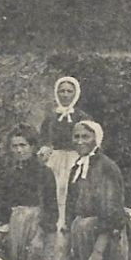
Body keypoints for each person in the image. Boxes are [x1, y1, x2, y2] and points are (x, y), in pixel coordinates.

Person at [62, 120, 131, 260]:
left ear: (96, 138)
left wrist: (98, 252)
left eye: (85, 136)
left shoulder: (106, 167)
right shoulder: (77, 168)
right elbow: (70, 207)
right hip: (81, 234)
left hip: (103, 237)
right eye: (76, 136)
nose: (80, 141)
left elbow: (112, 213)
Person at [0, 125, 57, 260]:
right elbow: (4, 207)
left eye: (23, 145)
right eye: (14, 146)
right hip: (16, 226)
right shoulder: (9, 174)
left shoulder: (44, 172)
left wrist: (40, 236)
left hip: (37, 227)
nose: (19, 150)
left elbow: (51, 207)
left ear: (33, 146)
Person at [37, 76, 92, 234]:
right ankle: (55, 224)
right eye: (62, 91)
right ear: (56, 93)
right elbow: (44, 138)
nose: (65, 95)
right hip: (56, 159)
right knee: (55, 189)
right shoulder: (51, 118)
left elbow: (89, 138)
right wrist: (45, 148)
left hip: (76, 157)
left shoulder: (82, 117)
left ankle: (71, 224)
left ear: (75, 93)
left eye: (69, 91)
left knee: (73, 189)